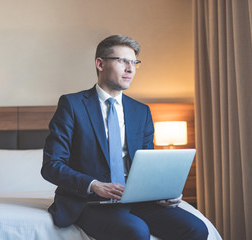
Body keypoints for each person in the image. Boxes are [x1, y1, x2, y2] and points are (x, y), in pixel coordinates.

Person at [41, 35, 208, 240]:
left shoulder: (141, 111)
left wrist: (164, 190)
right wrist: (94, 184)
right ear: (100, 64)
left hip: (139, 200)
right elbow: (52, 165)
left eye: (134, 62)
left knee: (197, 228)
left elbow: (149, 165)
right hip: (90, 201)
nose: (130, 69)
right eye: (122, 61)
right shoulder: (72, 105)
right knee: (136, 231)